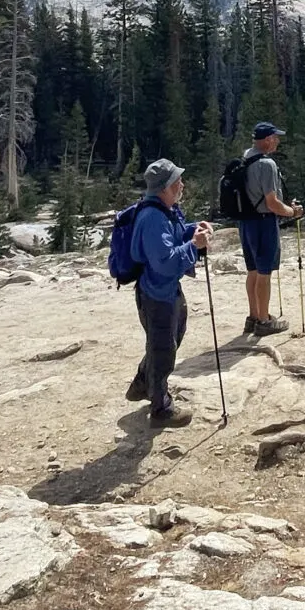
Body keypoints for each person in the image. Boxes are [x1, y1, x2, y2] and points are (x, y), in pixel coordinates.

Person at [123, 158, 211, 428]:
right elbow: (165, 261)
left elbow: (173, 238)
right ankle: (161, 409)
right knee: (163, 349)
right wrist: (194, 245)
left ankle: (142, 383)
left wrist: (193, 230)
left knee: (170, 339)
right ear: (165, 187)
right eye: (177, 181)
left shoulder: (163, 211)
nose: (182, 184)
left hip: (165, 289)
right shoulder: (153, 217)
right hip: (157, 293)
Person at [238, 119, 302, 337]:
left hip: (245, 222)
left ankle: (254, 316)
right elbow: (272, 202)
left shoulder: (246, 157)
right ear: (266, 140)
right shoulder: (267, 164)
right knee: (264, 272)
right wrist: (292, 212)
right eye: (275, 138)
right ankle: (264, 321)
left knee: (253, 270)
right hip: (263, 222)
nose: (277, 142)